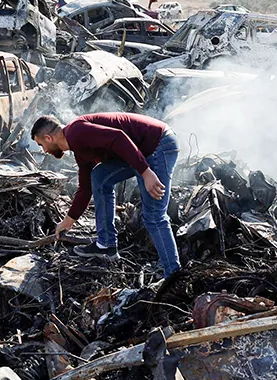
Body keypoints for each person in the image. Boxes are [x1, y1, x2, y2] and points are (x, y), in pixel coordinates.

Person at [31, 112, 181, 278]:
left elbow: (118, 138)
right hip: (141, 149)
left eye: (41, 145)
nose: (44, 150)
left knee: (153, 215)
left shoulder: (76, 132)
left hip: (158, 144)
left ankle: (173, 275)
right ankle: (106, 245)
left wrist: (145, 172)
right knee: (100, 176)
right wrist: (68, 222)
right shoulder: (78, 147)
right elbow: (85, 188)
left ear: (48, 138)